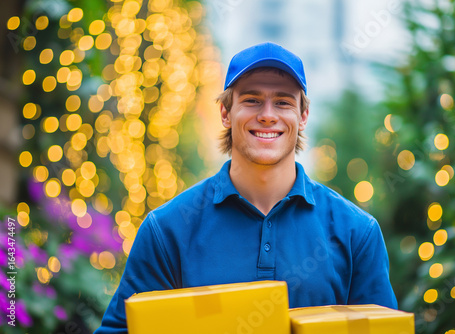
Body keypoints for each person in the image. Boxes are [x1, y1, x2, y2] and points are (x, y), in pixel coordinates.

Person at [95, 42, 397, 333]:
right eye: (252, 100)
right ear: (226, 113)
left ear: (303, 116)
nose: (267, 114)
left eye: (283, 101)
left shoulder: (357, 232)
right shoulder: (167, 230)